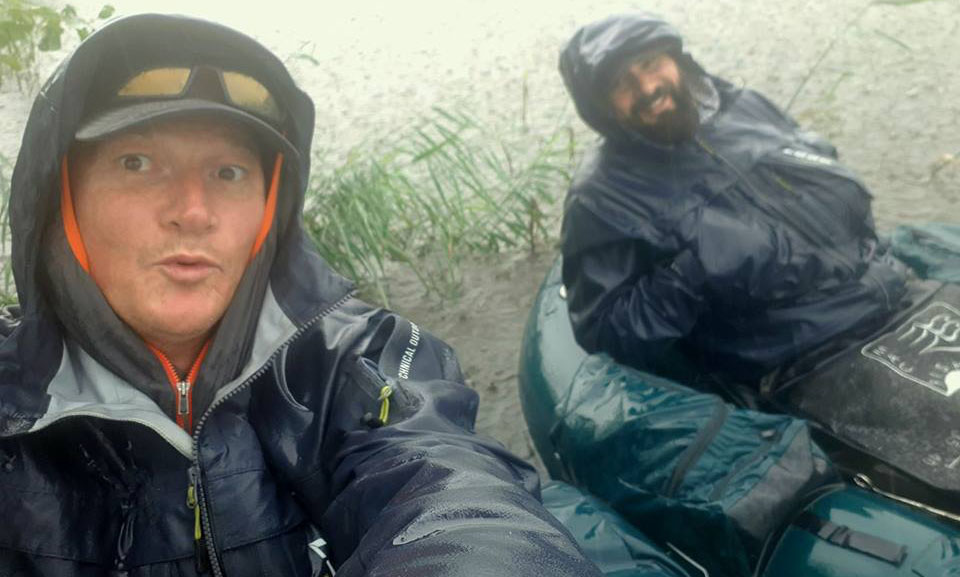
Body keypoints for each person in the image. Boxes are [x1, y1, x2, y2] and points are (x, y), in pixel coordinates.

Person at [0, 14, 603, 577]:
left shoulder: (354, 358)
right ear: (59, 199)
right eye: (137, 162)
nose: (194, 211)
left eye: (229, 172)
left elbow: (450, 484)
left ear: (271, 208)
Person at [558, 13, 911, 386]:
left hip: (885, 286)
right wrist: (690, 273)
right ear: (599, 106)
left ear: (677, 59)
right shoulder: (599, 197)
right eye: (620, 82)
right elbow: (605, 332)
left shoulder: (746, 107)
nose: (647, 87)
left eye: (650, 64)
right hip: (798, 356)